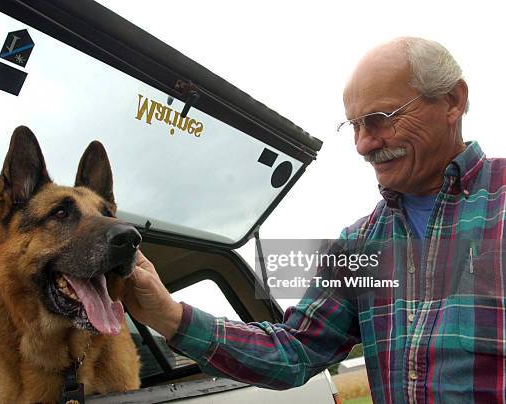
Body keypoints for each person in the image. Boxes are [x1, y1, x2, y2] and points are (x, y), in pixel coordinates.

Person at [122, 37, 506, 403]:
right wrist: (169, 316)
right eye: (354, 126)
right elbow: (296, 349)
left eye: (379, 119)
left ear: (452, 101)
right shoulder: (360, 244)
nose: (363, 145)